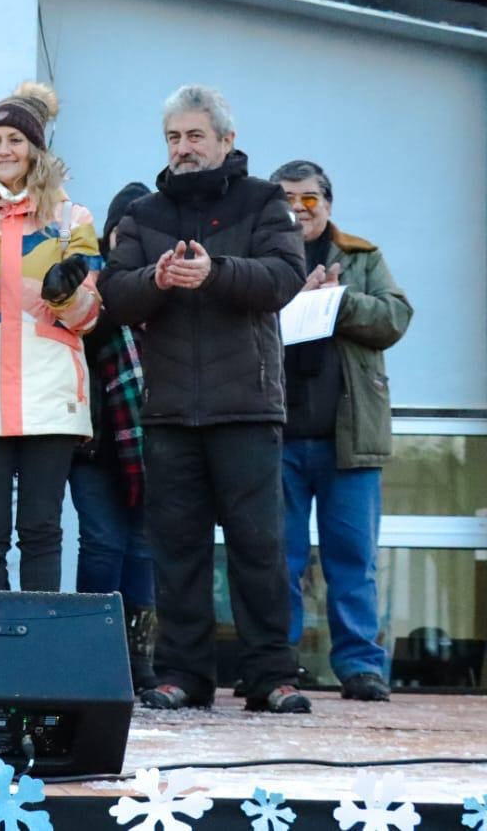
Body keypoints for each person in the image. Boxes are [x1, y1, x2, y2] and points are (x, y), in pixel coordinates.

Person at [98, 85, 310, 713]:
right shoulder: (144, 213)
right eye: (173, 138)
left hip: (246, 405)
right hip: (168, 412)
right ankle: (183, 674)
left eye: (195, 136)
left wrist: (216, 271)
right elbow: (114, 294)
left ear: (225, 141)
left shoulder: (265, 201)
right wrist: (157, 279)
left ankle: (271, 674)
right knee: (178, 549)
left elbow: (285, 277)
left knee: (258, 548)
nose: (183, 148)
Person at [0, 81, 101, 593]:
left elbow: (89, 315)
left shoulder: (74, 219)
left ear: (36, 150)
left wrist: (62, 294)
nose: (3, 151)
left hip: (50, 392)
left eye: (14, 139)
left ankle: (40, 653)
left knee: (41, 528)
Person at [270, 159, 412, 702]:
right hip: (278, 436)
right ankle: (279, 666)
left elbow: (395, 318)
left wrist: (339, 299)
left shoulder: (361, 255)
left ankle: (360, 667)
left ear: (328, 203)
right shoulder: (264, 256)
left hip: (348, 437)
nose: (299, 209)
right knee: (277, 559)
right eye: (286, 199)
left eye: (309, 199)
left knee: (351, 558)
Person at [71, 181, 157, 692]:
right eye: (120, 234)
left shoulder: (166, 292)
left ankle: (139, 661)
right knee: (102, 544)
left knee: (145, 549)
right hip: (95, 444)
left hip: (155, 445)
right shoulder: (87, 290)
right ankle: (92, 656)